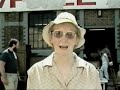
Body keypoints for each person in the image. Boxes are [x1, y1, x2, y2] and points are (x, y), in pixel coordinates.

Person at [27, 12, 102, 89]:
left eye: (70, 34)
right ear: (51, 38)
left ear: (76, 40)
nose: (64, 40)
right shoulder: (36, 72)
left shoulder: (90, 72)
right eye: (58, 33)